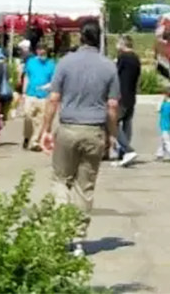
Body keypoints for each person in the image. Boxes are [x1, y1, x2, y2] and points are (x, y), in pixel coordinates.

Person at [40, 21, 120, 257]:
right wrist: (112, 135)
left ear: (81, 38)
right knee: (84, 186)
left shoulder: (66, 63)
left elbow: (54, 98)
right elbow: (113, 105)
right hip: (94, 129)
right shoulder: (108, 67)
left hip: (69, 127)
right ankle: (78, 239)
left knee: (60, 179)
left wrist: (45, 129)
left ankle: (60, 228)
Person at [20, 42, 57, 151]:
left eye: (44, 49)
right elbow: (27, 76)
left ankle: (35, 142)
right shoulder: (31, 62)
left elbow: (54, 80)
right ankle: (27, 136)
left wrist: (48, 89)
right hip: (30, 94)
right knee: (28, 116)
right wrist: (23, 92)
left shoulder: (51, 64)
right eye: (40, 49)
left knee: (40, 120)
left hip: (44, 95)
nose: (42, 52)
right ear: (37, 51)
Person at [113, 35, 142, 167]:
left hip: (122, 95)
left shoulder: (123, 57)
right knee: (127, 123)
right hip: (131, 95)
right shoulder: (136, 58)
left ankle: (127, 149)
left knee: (113, 122)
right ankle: (123, 153)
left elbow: (115, 75)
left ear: (122, 44)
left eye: (118, 43)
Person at [154, 85, 170, 162]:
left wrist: (161, 101)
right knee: (163, 141)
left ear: (165, 95)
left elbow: (157, 110)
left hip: (164, 126)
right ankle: (160, 154)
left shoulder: (164, 105)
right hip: (168, 125)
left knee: (166, 141)